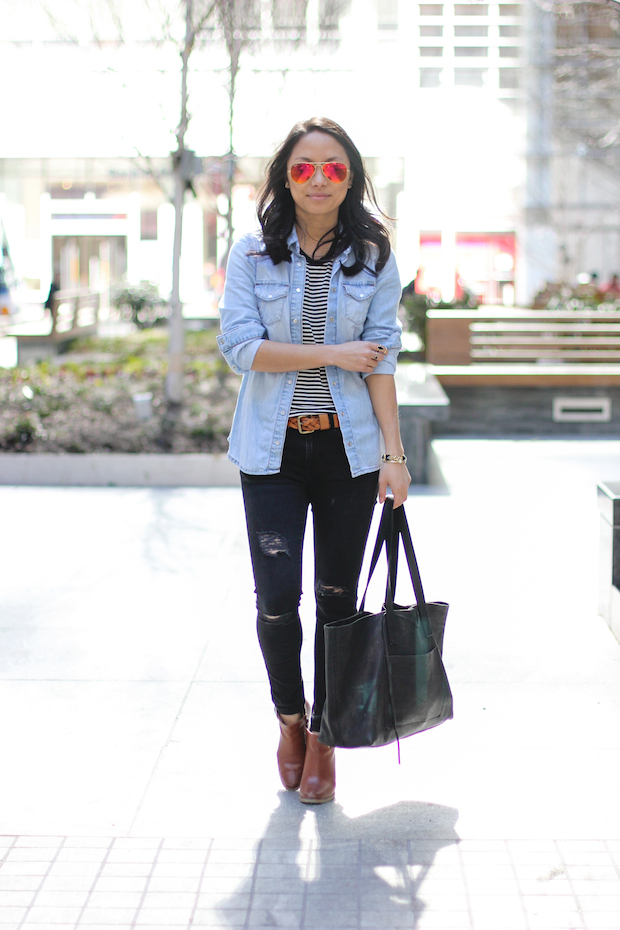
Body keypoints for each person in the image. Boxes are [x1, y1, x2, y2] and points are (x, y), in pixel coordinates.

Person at [217, 117, 410, 804]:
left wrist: (394, 455)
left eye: (334, 167)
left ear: (351, 176)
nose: (320, 179)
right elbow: (241, 347)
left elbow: (382, 358)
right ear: (285, 177)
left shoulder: (374, 256)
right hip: (271, 450)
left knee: (336, 601)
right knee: (276, 601)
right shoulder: (251, 254)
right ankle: (290, 721)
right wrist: (330, 354)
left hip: (347, 451)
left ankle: (327, 735)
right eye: (305, 167)